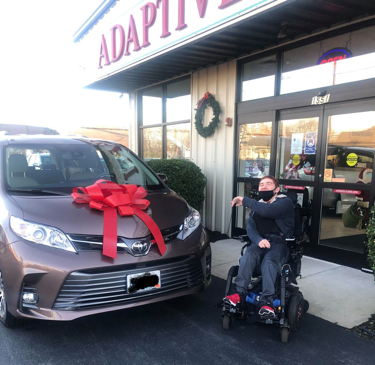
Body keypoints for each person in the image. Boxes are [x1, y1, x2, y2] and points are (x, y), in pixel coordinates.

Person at [224, 176, 295, 319]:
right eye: (261, 184)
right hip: (260, 242)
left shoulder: (285, 202)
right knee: (248, 256)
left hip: (279, 243)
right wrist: (258, 240)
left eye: (268, 184)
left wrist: (245, 201)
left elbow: (269, 211)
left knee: (269, 262)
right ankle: (238, 295)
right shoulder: (257, 206)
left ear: (277, 190)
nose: (264, 186)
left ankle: (267, 302)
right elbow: (250, 228)